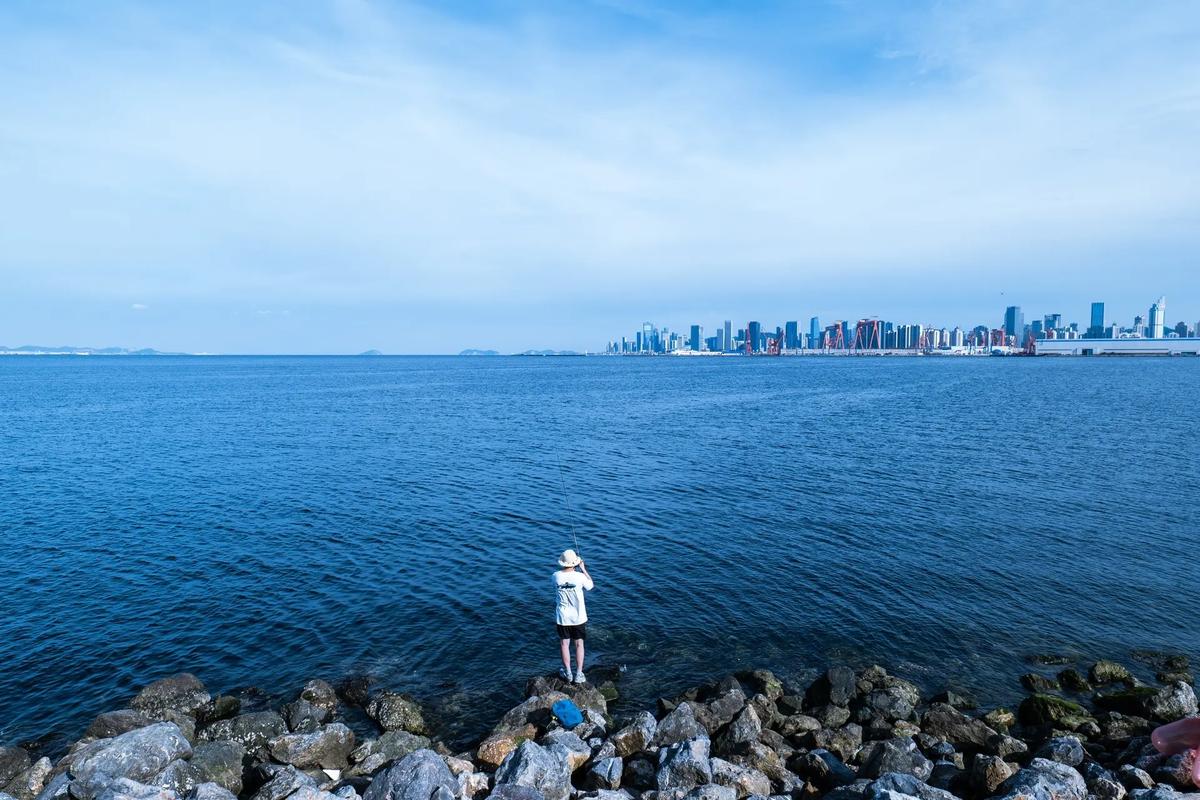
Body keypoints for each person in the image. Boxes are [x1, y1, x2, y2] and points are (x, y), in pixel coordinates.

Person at [553, 549, 593, 684]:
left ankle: (568, 673)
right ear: (574, 563)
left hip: (562, 617)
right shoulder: (580, 577)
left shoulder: (555, 576)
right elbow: (590, 586)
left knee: (564, 644)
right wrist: (583, 569)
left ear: (563, 563)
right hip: (578, 617)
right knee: (579, 644)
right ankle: (579, 674)